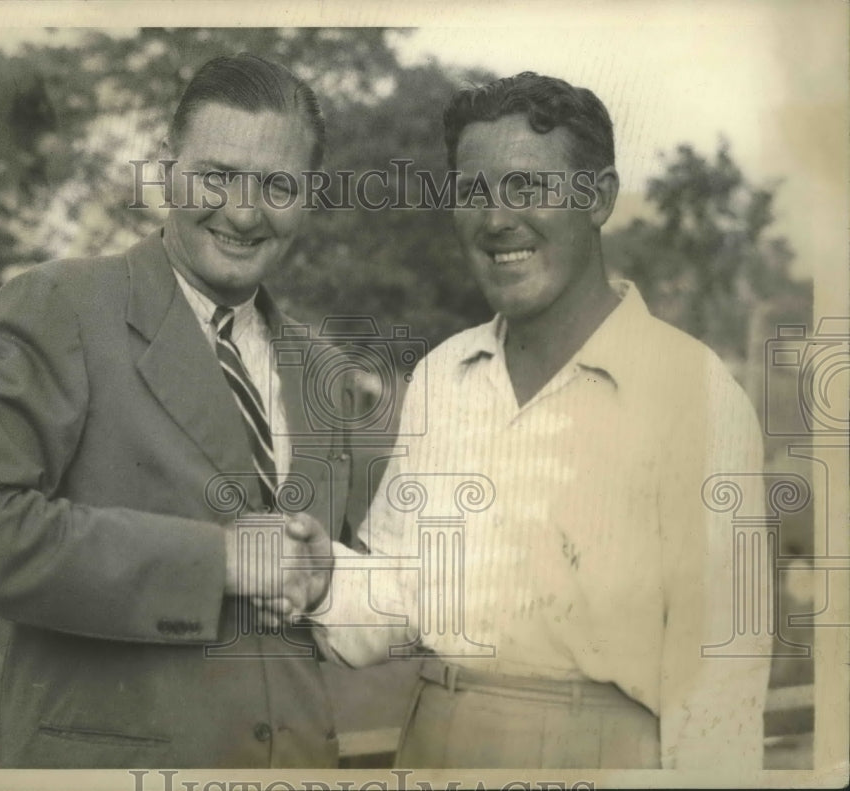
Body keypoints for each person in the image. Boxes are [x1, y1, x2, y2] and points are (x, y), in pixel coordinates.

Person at [0, 54, 361, 768]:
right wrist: (220, 559)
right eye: (217, 175)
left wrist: (326, 578)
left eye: (277, 184)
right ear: (166, 168)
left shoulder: (325, 368)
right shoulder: (64, 306)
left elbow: (323, 573)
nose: (244, 212)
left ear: (311, 194)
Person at [307, 72, 772, 770]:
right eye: (474, 191)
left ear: (599, 199)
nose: (497, 219)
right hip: (431, 742)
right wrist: (313, 574)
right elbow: (398, 599)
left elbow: (722, 691)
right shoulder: (442, 374)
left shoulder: (694, 392)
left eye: (528, 187)